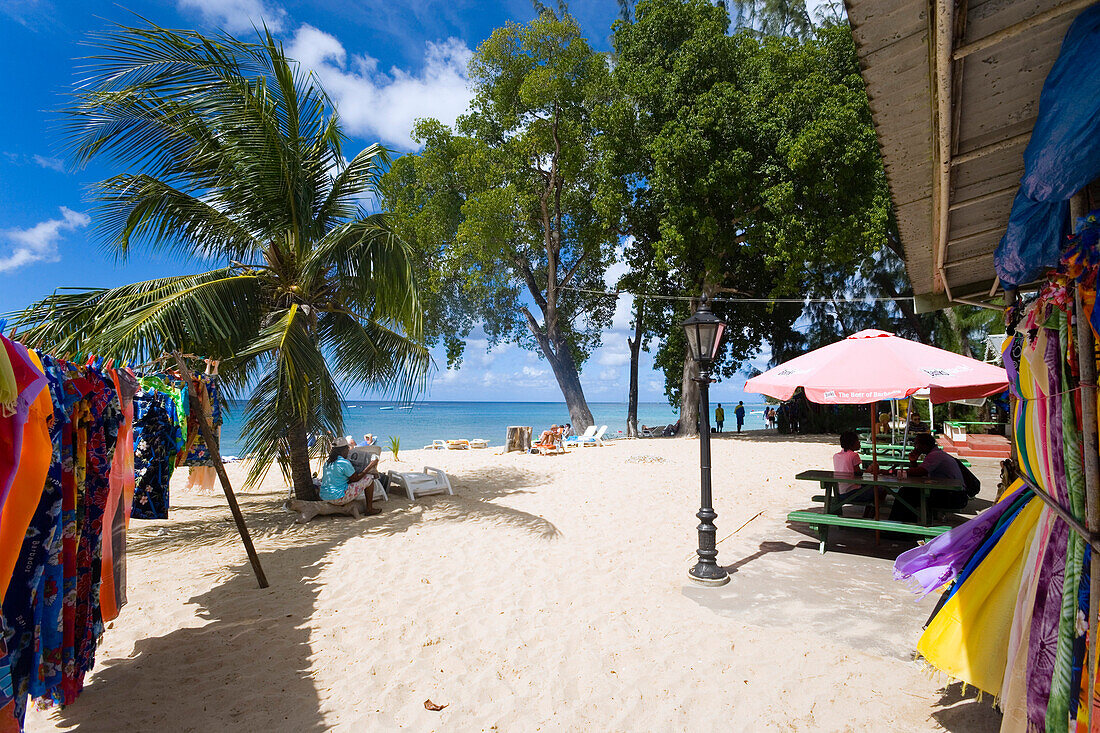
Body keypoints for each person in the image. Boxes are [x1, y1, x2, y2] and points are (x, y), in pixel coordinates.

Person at [889, 433, 968, 522]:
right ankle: (904, 524)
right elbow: (921, 475)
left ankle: (902, 526)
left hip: (954, 497)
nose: (915, 447)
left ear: (924, 445)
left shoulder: (935, 455)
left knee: (906, 493)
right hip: (952, 494)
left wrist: (891, 472)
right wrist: (913, 462)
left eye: (916, 444)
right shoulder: (935, 453)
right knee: (908, 492)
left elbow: (920, 472)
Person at [319, 438, 380, 514]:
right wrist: (370, 466)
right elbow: (356, 478)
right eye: (347, 449)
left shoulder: (328, 462)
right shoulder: (344, 463)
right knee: (369, 477)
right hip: (337, 498)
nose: (348, 452)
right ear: (343, 450)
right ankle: (369, 509)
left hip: (324, 496)